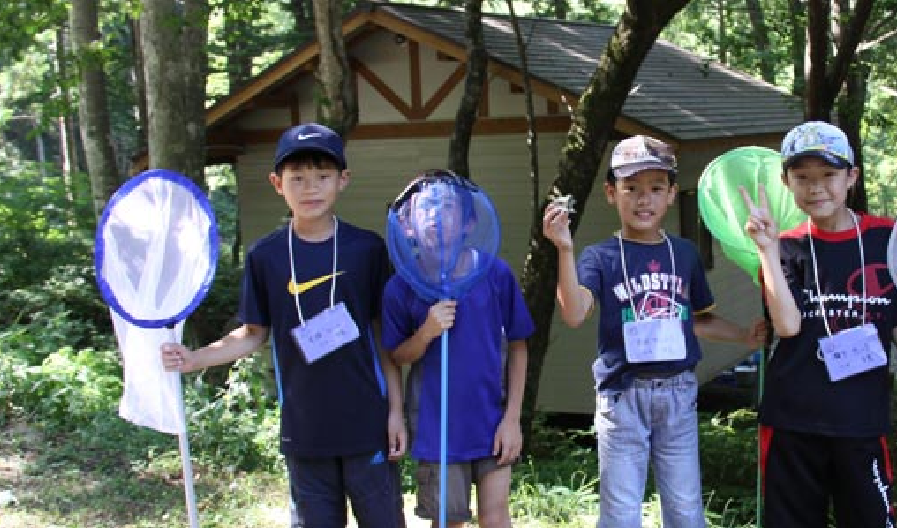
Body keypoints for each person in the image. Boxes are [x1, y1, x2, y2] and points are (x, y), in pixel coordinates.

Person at [161, 123, 406, 528]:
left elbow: (384, 337)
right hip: (305, 432)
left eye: (322, 176)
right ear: (277, 183)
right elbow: (252, 333)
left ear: (343, 180)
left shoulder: (366, 249)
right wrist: (194, 358)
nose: (310, 188)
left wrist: (395, 412)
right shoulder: (266, 256)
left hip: (368, 427)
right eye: (298, 178)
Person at [741, 121, 897, 528]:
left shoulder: (886, 238)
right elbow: (788, 326)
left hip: (861, 420)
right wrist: (768, 252)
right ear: (786, 182)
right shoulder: (786, 246)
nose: (816, 188)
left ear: (852, 177)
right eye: (802, 177)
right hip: (792, 421)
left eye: (828, 175)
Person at [541, 136, 762, 528]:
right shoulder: (599, 257)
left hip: (678, 393)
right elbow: (574, 313)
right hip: (623, 394)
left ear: (672, 194)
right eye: (631, 189)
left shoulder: (685, 253)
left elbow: (697, 319)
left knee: (685, 510)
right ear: (611, 193)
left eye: (655, 189)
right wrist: (563, 249)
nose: (644, 200)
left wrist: (746, 335)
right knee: (621, 513)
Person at [380, 170, 534, 528]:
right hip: (437, 430)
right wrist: (427, 332)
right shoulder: (400, 288)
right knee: (447, 521)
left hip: (491, 422)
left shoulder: (494, 273)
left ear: (469, 221)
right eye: (425, 208)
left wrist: (511, 420)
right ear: (407, 225)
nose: (435, 215)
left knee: (495, 518)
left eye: (448, 206)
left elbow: (519, 345)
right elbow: (397, 356)